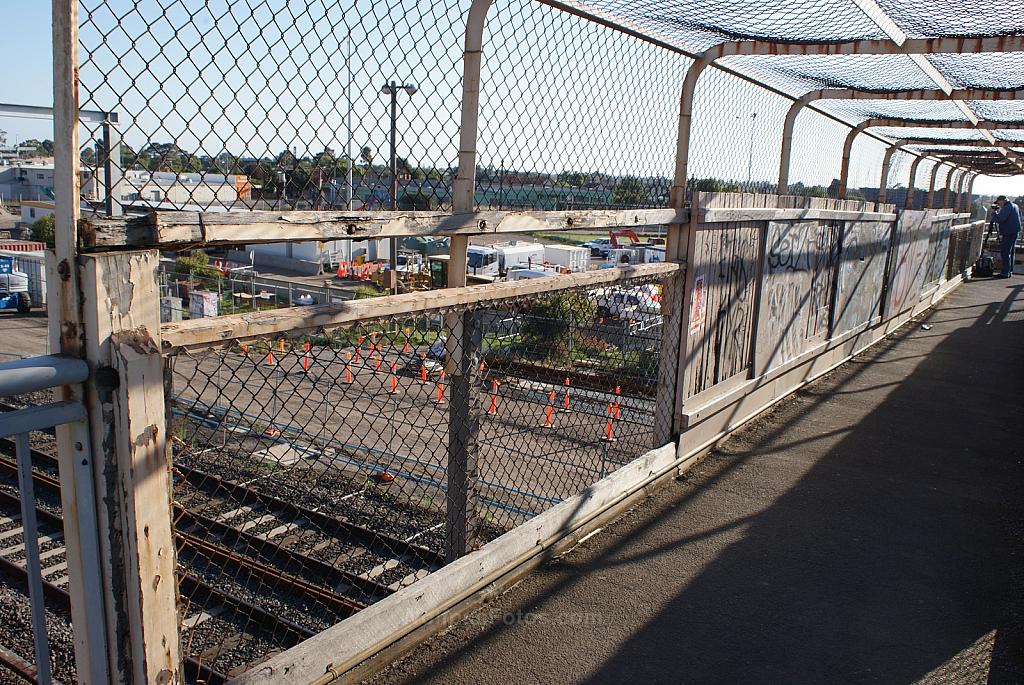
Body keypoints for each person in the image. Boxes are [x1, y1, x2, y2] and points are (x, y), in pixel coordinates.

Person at [992, 195, 1021, 277]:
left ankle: (1005, 272)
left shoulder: (1007, 207)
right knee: (1011, 252)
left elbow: (1000, 219)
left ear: (1002, 201)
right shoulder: (1015, 206)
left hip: (1008, 232)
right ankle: (1009, 271)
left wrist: (994, 214)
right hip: (1015, 231)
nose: (998, 205)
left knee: (1005, 252)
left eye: (999, 203)